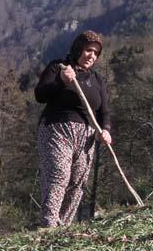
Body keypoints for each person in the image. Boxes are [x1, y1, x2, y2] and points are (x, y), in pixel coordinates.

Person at [34, 30, 111, 227]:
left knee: (77, 183)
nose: (92, 55)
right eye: (88, 50)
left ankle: (63, 226)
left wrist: (106, 130)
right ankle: (48, 224)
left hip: (87, 137)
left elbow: (104, 111)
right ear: (78, 49)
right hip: (57, 130)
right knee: (59, 175)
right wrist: (61, 80)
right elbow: (40, 94)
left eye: (96, 53)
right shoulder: (58, 67)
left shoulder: (97, 80)